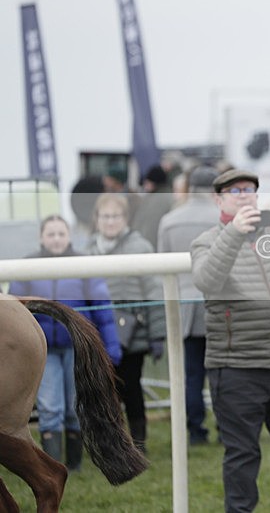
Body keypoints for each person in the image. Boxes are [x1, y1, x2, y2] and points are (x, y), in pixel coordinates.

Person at [190, 168, 270, 513]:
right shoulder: (206, 240)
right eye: (235, 190)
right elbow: (206, 280)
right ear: (219, 199)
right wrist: (232, 234)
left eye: (250, 190)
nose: (244, 195)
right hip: (236, 368)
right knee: (243, 459)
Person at [8, 215, 122, 471]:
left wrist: (111, 348)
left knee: (73, 406)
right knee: (50, 407)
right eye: (51, 234)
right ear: (41, 237)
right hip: (42, 351)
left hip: (76, 349)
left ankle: (74, 465)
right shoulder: (26, 267)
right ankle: (53, 464)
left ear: (69, 236)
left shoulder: (83, 266)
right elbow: (15, 310)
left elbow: (102, 310)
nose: (57, 239)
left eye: (61, 233)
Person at [86, 193, 166, 453]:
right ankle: (112, 445)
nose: (110, 222)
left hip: (133, 333)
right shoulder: (86, 251)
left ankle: (138, 444)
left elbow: (154, 292)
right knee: (103, 391)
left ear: (125, 218)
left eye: (116, 216)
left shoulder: (140, 247)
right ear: (97, 219)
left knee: (131, 388)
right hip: (98, 333)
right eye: (105, 216)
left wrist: (157, 334)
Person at [157, 166, 220, 445]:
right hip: (217, 301)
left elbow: (163, 265)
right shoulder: (222, 217)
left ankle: (196, 430)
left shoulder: (170, 220)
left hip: (183, 303)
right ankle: (225, 429)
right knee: (221, 372)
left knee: (191, 373)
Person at [132, 164, 175, 248]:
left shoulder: (147, 200)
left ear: (153, 183)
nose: (145, 186)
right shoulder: (172, 198)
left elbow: (138, 225)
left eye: (147, 182)